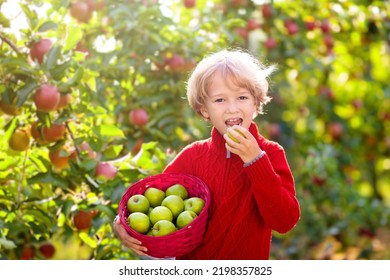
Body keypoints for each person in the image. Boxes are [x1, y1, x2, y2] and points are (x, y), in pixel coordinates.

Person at [113, 48, 300, 260]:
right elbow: (152, 203)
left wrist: (256, 161)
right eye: (220, 100)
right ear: (204, 110)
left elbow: (285, 221)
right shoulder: (193, 157)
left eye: (241, 97)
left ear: (256, 103)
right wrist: (121, 223)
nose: (232, 108)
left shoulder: (271, 154)